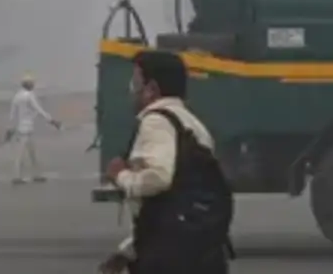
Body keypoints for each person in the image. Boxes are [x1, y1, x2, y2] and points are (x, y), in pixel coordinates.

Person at [99, 50, 233, 274]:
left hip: (170, 259)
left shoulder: (156, 121)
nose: (131, 91)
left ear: (151, 89)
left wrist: (120, 175)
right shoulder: (191, 124)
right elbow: (173, 203)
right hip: (200, 252)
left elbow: (158, 180)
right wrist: (129, 250)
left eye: (135, 83)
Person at [5, 74, 62, 184]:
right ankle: (20, 177)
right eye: (32, 83)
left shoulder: (16, 96)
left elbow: (12, 115)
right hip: (27, 129)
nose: (33, 85)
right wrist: (52, 121)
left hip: (20, 129)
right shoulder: (29, 96)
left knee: (25, 153)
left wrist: (9, 129)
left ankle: (30, 175)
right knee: (27, 154)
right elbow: (39, 110)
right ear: (28, 84)